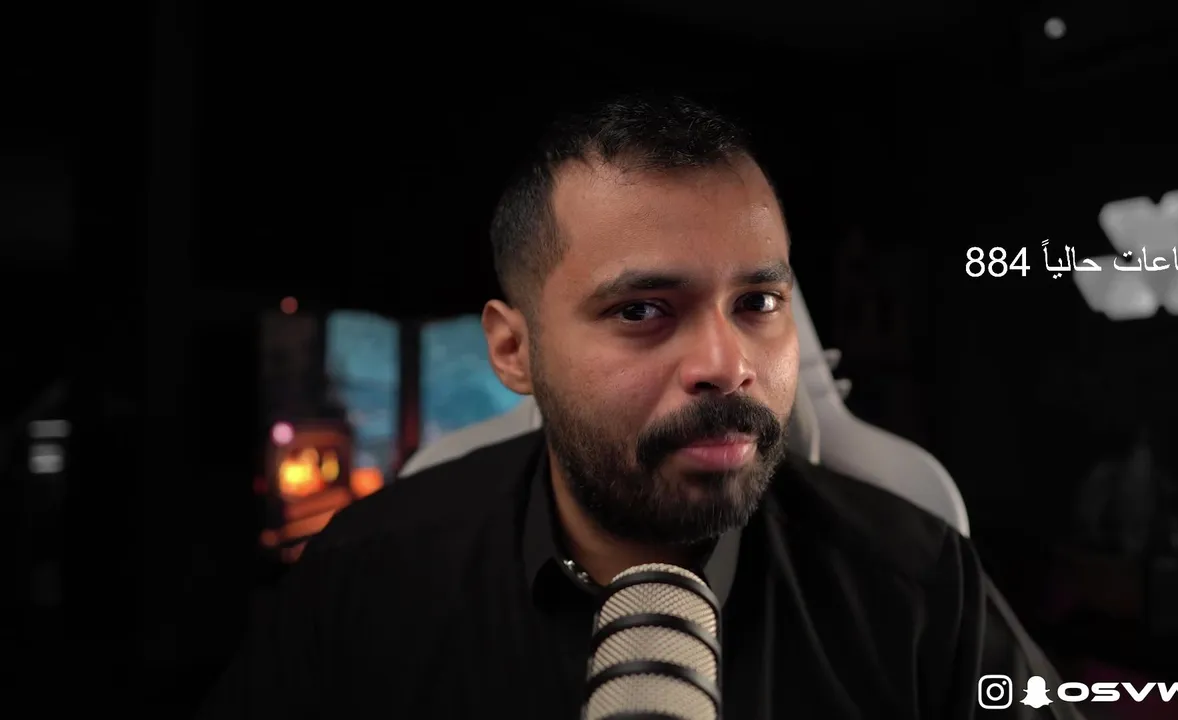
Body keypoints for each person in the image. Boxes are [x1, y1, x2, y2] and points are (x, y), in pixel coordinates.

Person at [198, 95, 1083, 719]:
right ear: (513, 351)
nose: (726, 366)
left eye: (757, 303)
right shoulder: (367, 578)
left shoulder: (917, 585)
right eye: (642, 311)